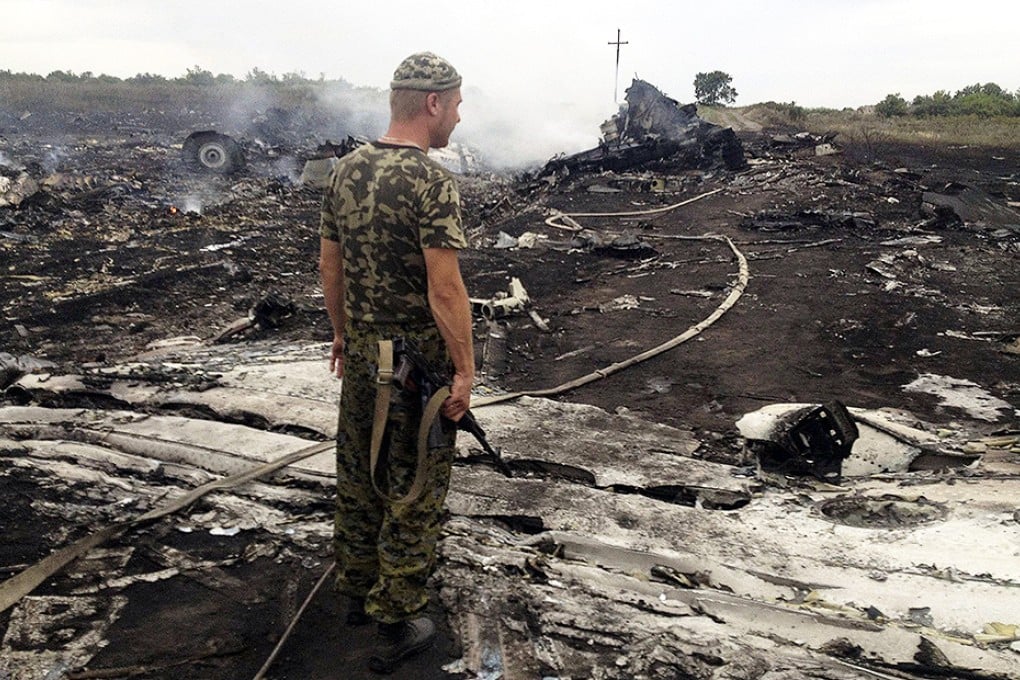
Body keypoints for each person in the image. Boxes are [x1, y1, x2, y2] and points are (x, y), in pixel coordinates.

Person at [318, 51, 473, 674]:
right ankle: (399, 609)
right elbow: (444, 290)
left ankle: (356, 589)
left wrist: (341, 334)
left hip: (360, 355)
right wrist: (464, 370)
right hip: (415, 366)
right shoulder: (433, 182)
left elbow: (330, 266)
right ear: (432, 103)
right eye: (457, 105)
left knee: (358, 471)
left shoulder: (345, 170)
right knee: (414, 485)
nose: (459, 118)